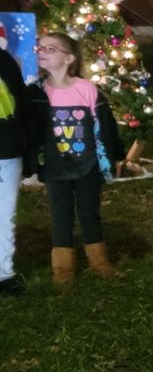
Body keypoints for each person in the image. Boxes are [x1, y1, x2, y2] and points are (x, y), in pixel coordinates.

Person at [28, 32, 124, 282]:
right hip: (55, 168)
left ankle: (99, 262)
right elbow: (29, 129)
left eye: (51, 49)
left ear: (69, 58)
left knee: (89, 212)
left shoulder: (87, 89)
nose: (43, 52)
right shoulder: (36, 93)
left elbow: (105, 125)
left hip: (87, 166)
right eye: (40, 49)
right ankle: (63, 271)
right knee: (61, 216)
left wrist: (115, 156)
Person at [0, 42, 34, 295]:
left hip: (6, 151)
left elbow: (21, 104)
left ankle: (4, 273)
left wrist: (25, 148)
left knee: (4, 214)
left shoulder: (5, 62)